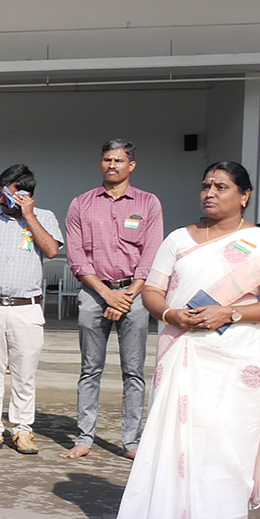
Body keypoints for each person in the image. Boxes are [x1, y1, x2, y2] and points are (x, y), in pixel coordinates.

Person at [114, 162, 260, 519]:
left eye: (221, 186)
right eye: (205, 185)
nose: (209, 193)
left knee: (229, 450)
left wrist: (231, 314)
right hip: (185, 353)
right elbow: (153, 291)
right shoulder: (177, 240)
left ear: (244, 195)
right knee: (179, 447)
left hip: (240, 362)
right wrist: (171, 315)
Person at [62, 139, 163, 460]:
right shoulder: (81, 204)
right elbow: (76, 257)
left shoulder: (148, 203)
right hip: (94, 294)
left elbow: (152, 252)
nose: (112, 166)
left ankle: (131, 441)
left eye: (119, 161)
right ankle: (84, 438)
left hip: (133, 295)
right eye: (107, 160)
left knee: (133, 371)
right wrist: (107, 295)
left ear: (131, 165)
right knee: (90, 369)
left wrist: (130, 293)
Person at [0, 164, 63, 454]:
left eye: (7, 194)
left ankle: (23, 429)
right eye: (0, 193)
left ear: (25, 195)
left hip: (27, 308)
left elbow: (51, 250)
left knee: (24, 374)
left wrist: (29, 215)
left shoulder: (44, 217)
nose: (1, 199)